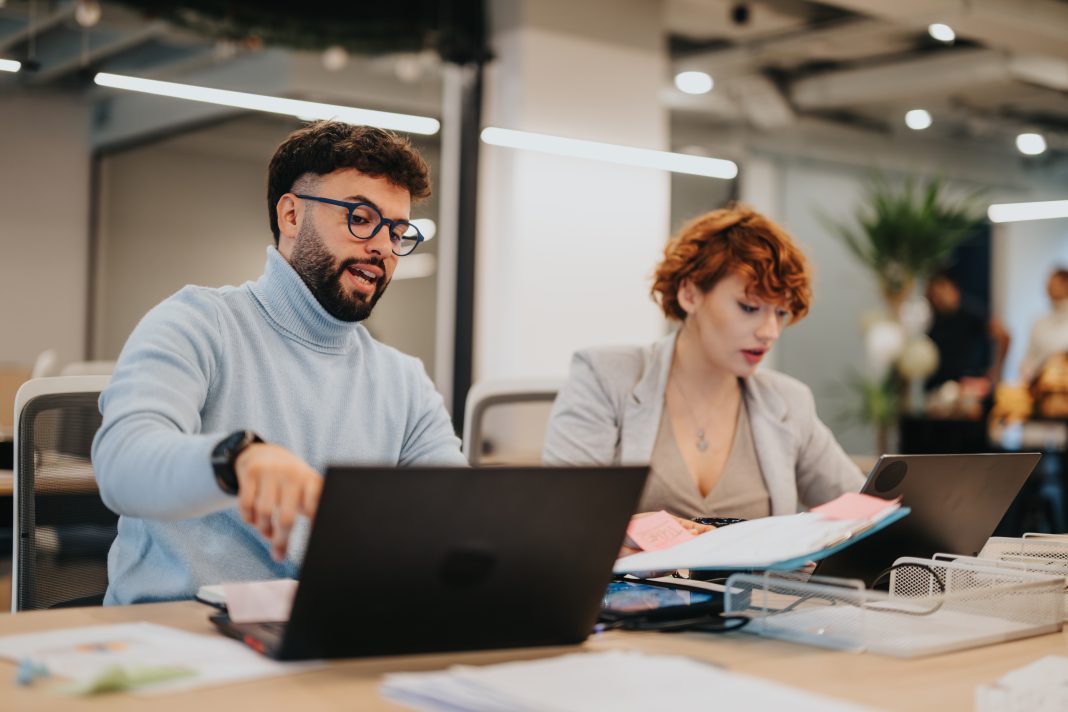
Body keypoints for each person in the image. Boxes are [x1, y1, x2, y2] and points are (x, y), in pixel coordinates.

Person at [92, 121, 466, 605]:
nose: (382, 247)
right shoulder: (198, 323)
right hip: (181, 628)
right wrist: (237, 459)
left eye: (397, 232)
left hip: (324, 629)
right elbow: (122, 463)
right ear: (291, 215)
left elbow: (455, 515)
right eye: (360, 218)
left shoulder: (404, 381)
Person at [543, 205, 864, 521]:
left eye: (781, 313)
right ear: (690, 295)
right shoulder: (605, 378)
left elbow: (865, 511)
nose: (770, 332)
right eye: (749, 307)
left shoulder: (788, 401)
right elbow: (565, 519)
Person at [924, 270, 1010, 393]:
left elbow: (1004, 336)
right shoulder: (933, 317)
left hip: (970, 385)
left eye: (940, 292)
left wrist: (996, 372)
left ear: (953, 288)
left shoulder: (972, 311)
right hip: (940, 387)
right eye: (934, 296)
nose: (938, 299)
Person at [1020, 267, 1068, 384]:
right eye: (1049, 284)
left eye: (1056, 284)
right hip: (1041, 386)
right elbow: (1028, 361)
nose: (1050, 287)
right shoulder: (1039, 323)